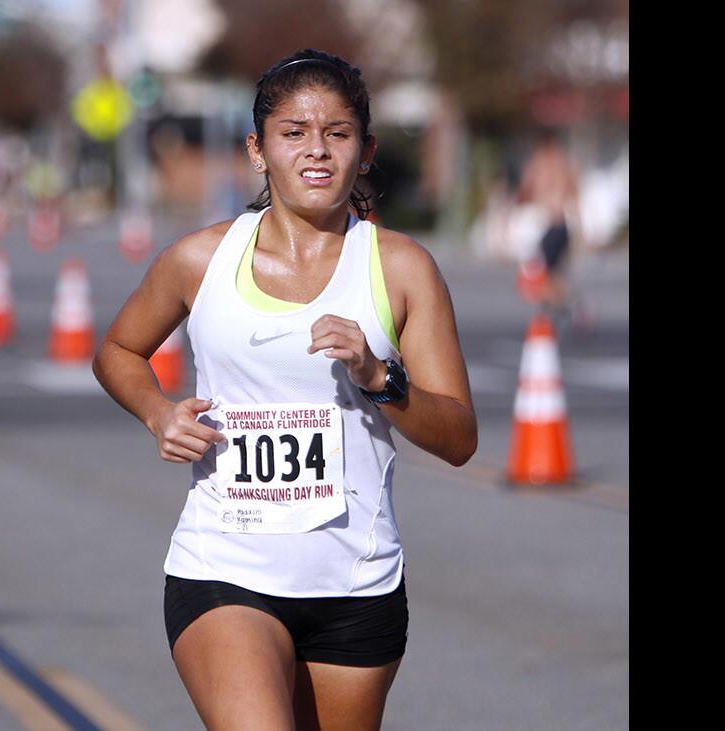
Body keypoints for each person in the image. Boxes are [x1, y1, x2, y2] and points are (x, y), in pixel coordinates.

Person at [93, 49, 477, 730]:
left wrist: (380, 378)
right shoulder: (200, 259)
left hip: (356, 581)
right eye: (294, 132)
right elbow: (118, 350)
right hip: (225, 566)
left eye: (338, 132)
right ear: (258, 150)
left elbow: (458, 438)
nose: (317, 150)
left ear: (366, 151)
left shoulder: (401, 270)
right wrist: (157, 412)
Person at [516, 127, 582, 325]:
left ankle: (567, 309)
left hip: (548, 225)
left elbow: (524, 191)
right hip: (561, 225)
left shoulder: (539, 164)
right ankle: (562, 310)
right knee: (553, 274)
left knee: (542, 273)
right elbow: (575, 197)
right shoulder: (565, 164)